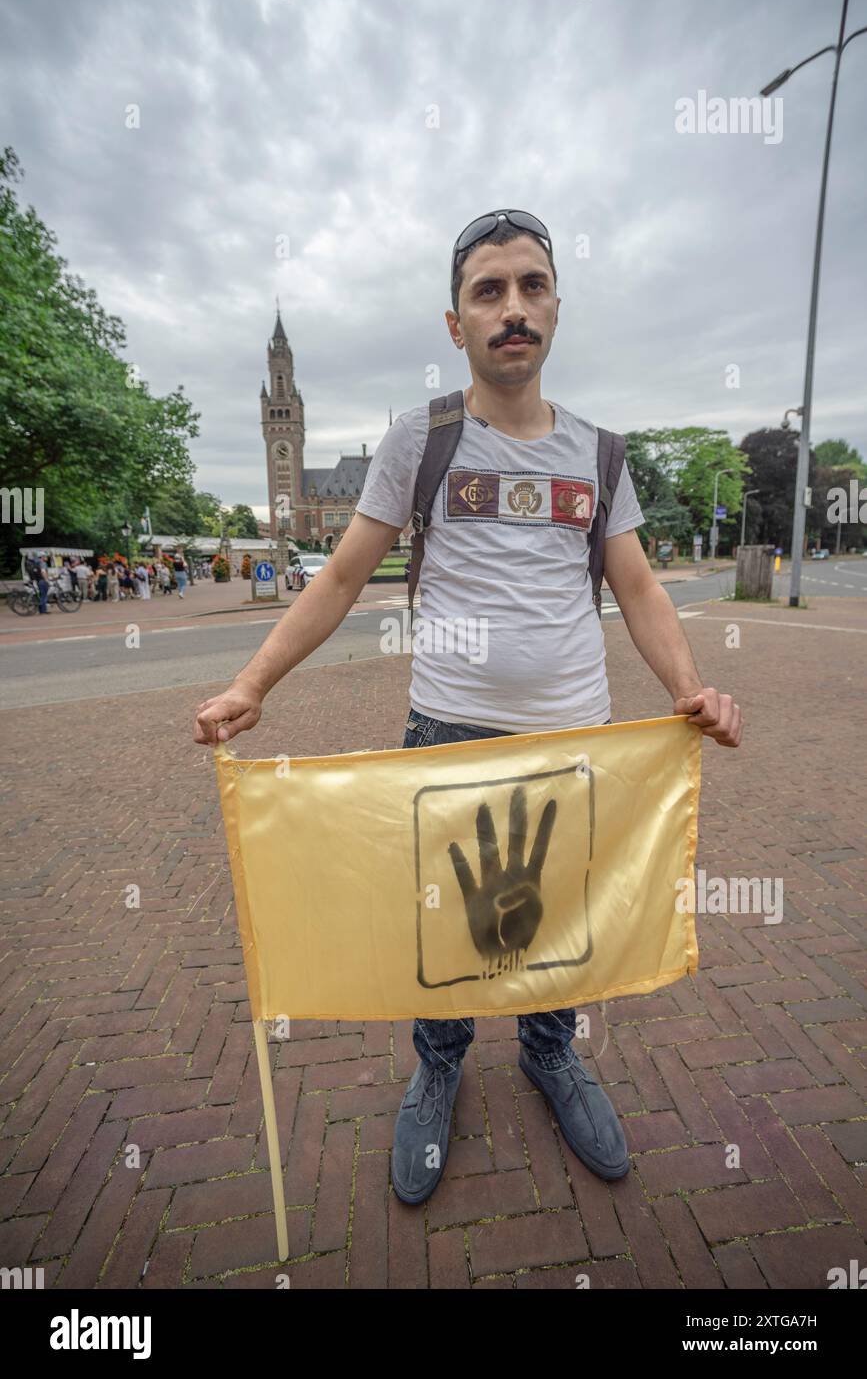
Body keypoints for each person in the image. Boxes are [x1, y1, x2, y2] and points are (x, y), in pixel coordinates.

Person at [193, 208, 743, 1204]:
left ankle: (550, 1053)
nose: (513, 308)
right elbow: (340, 577)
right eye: (488, 291)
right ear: (457, 324)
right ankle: (438, 1066)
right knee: (446, 924)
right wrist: (252, 682)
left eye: (531, 286)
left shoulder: (600, 455)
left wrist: (686, 688)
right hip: (446, 733)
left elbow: (642, 589)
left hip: (577, 736)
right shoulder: (423, 438)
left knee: (560, 919)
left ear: (556, 308)